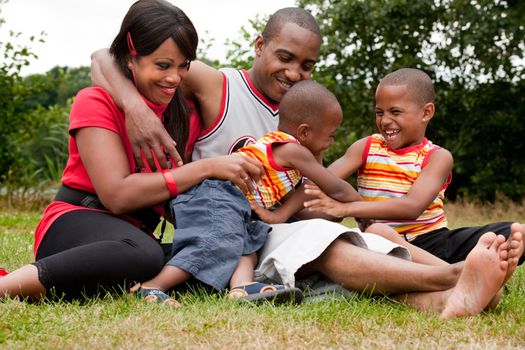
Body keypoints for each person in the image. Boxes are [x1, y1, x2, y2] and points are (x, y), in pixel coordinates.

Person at [90, 7, 524, 318]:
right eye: (285, 57)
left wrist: (355, 217)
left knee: (350, 249)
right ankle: (447, 276)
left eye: (307, 65)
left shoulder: (302, 116)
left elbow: (316, 191)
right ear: (259, 46)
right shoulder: (220, 84)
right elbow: (103, 57)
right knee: (322, 241)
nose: (295, 72)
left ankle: (455, 298)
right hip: (222, 226)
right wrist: (137, 110)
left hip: (272, 230)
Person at [0, 0, 265, 302]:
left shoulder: (185, 115)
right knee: (145, 254)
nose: (175, 78)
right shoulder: (94, 101)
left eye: (183, 66)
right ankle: (7, 286)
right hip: (75, 224)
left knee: (206, 259)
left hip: (136, 238)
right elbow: (117, 195)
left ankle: (117, 289)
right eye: (163, 65)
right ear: (131, 59)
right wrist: (207, 167)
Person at [303, 68, 525, 266]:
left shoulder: (437, 157)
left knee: (512, 233)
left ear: (426, 112)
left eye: (396, 112)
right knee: (350, 245)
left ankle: (476, 267)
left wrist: (346, 208)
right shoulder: (367, 147)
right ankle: (463, 274)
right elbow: (323, 179)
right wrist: (314, 152)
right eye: (380, 112)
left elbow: (411, 207)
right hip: (380, 245)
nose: (385, 120)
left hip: (432, 243)